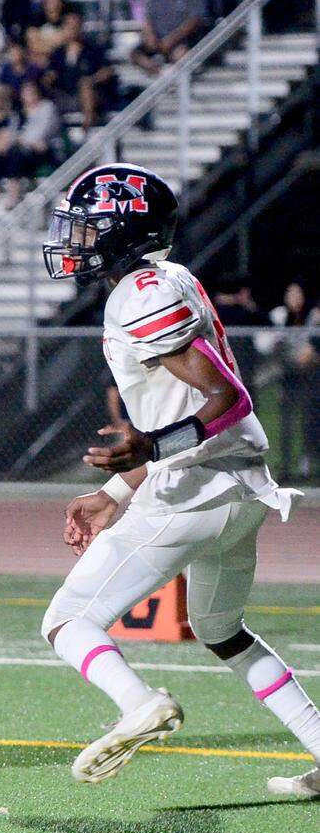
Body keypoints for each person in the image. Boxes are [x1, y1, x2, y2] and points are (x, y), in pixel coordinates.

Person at [40, 163, 319, 796]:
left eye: (86, 230)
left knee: (68, 622)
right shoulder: (166, 279)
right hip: (240, 488)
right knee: (222, 631)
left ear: (121, 232)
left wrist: (150, 447)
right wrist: (115, 493)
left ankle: (138, 704)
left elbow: (228, 396)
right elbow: (182, 406)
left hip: (197, 490)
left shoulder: (137, 295)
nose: (73, 243)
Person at [268, 283, 320, 478]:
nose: (295, 297)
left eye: (298, 293)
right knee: (286, 422)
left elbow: (311, 350)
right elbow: (269, 345)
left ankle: (306, 464)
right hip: (287, 376)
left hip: (309, 377)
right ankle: (285, 465)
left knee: (309, 421)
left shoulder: (311, 317)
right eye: (291, 293)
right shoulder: (279, 316)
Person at [131, 0, 208, 74]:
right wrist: (150, 37)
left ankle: (175, 77)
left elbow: (194, 20)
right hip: (158, 40)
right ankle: (159, 72)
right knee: (136, 54)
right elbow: (148, 19)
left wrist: (171, 39)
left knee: (181, 55)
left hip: (182, 41)